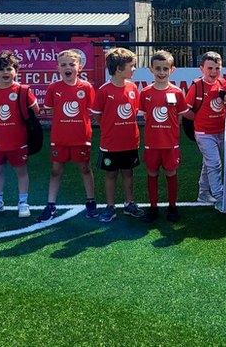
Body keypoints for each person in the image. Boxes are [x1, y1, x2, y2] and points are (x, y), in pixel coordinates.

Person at [39, 50, 98, 222]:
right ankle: (50, 205)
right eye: (63, 64)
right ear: (58, 68)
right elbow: (50, 109)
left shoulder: (86, 87)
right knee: (56, 170)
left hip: (81, 137)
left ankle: (91, 203)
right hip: (60, 138)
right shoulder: (53, 88)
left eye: (72, 64)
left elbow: (91, 111)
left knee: (85, 168)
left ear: (79, 67)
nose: (68, 67)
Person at [0, 50, 38, 218]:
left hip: (18, 141)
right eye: (1, 69)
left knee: (21, 172)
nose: (5, 72)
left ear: (16, 71)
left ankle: (23, 202)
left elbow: (35, 110)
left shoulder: (23, 90)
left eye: (9, 69)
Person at [91, 47, 144, 223]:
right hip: (110, 143)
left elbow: (134, 110)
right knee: (111, 174)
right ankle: (110, 207)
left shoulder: (133, 88)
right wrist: (109, 127)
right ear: (119, 69)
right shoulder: (104, 91)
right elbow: (97, 115)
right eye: (132, 66)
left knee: (128, 173)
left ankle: (129, 204)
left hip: (130, 141)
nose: (134, 69)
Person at [139, 51, 188, 222]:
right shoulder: (145, 92)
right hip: (152, 144)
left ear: (172, 70)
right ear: (151, 69)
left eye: (165, 69)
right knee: (152, 173)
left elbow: (179, 117)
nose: (161, 72)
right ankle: (153, 208)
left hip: (170, 144)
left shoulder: (177, 92)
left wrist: (172, 135)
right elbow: (145, 116)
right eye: (157, 68)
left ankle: (172, 207)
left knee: (171, 173)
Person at [183, 51, 226, 204]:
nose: (214, 72)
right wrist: (200, 118)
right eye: (210, 68)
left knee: (209, 163)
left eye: (217, 68)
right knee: (215, 163)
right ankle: (219, 195)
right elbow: (185, 110)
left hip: (222, 131)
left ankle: (203, 193)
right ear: (201, 68)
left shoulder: (223, 84)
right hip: (203, 133)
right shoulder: (197, 86)